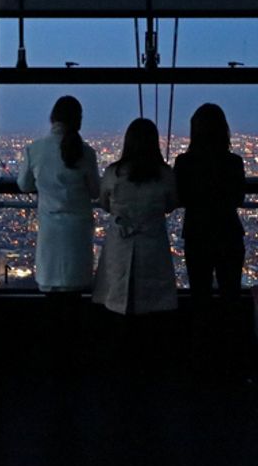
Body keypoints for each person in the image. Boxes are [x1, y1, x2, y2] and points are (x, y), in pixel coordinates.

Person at [17, 96, 100, 362]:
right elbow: (95, 190)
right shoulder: (86, 153)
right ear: (78, 121)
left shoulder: (35, 149)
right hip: (77, 232)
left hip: (51, 232)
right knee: (75, 299)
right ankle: (75, 355)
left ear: (52, 118)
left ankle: (52, 357)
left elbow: (23, 184)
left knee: (52, 297)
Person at [92, 118, 178, 316]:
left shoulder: (113, 173)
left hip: (120, 242)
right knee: (153, 302)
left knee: (117, 295)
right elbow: (172, 204)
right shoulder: (164, 174)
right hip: (153, 242)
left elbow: (104, 203)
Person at [173, 103, 246, 319]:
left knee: (199, 294)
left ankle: (202, 343)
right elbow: (238, 198)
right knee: (231, 294)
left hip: (197, 234)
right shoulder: (234, 162)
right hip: (229, 233)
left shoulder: (184, 162)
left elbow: (179, 197)